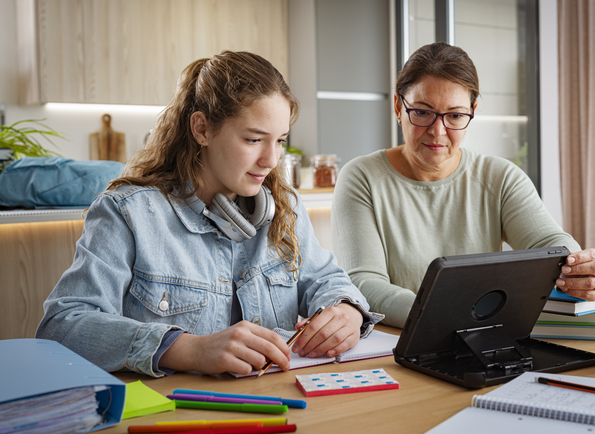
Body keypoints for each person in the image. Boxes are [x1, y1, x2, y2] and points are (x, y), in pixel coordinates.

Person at [37, 50, 382, 377]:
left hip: (279, 404)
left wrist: (347, 311)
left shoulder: (284, 205)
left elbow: (326, 279)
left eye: (279, 141)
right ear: (202, 129)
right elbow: (63, 325)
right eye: (253, 140)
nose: (271, 160)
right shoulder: (128, 212)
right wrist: (188, 349)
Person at [331, 42, 595, 328]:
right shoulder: (362, 177)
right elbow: (364, 283)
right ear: (398, 107)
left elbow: (550, 245)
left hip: (480, 337)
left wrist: (581, 268)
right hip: (399, 346)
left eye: (454, 116)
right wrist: (453, 315)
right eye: (423, 112)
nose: (438, 131)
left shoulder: (499, 177)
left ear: (472, 110)